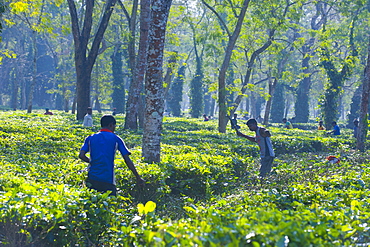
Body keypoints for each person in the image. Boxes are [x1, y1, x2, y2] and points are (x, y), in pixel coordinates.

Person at [79, 115, 145, 196]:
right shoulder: (116, 139)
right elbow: (127, 159)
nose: (114, 128)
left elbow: (81, 155)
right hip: (108, 179)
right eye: (114, 126)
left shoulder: (90, 138)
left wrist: (91, 162)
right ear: (110, 125)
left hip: (92, 178)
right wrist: (138, 177)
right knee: (110, 204)